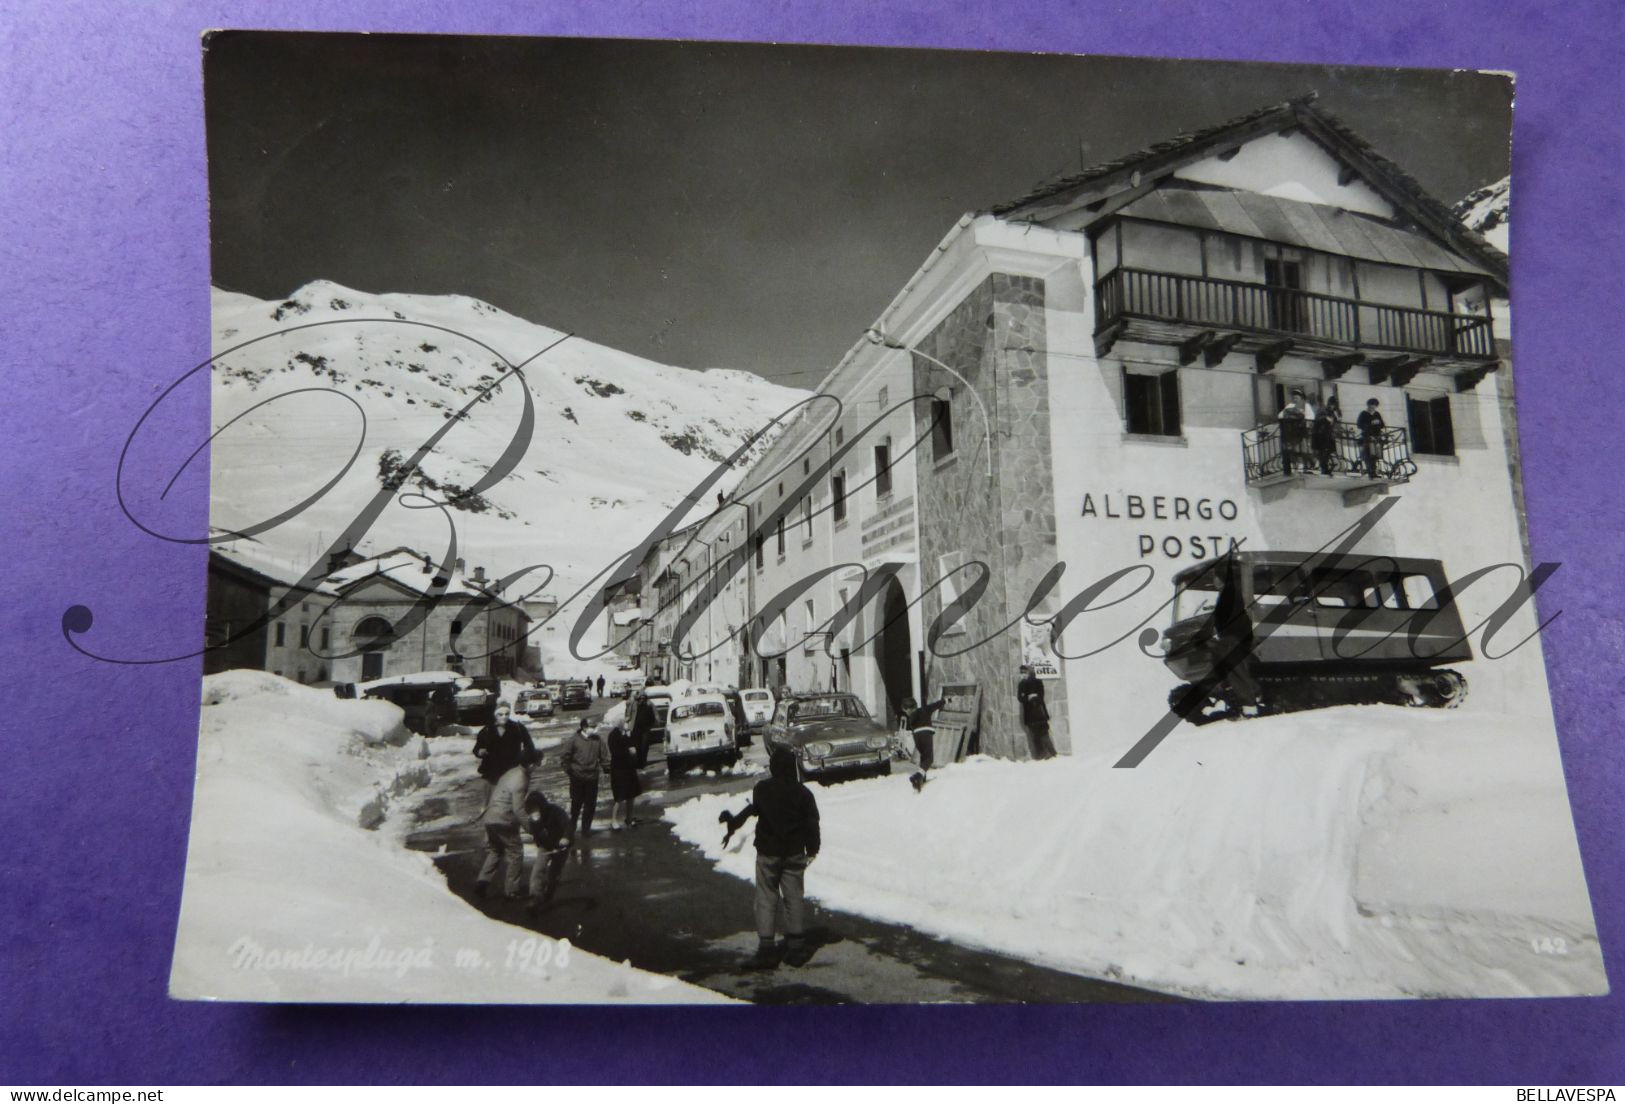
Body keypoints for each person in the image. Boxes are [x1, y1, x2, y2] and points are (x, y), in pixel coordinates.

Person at [720, 749, 821, 969]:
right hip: (794, 854)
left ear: (773, 767)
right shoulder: (803, 793)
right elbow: (812, 823)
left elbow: (753, 810)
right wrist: (813, 849)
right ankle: (796, 947)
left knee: (766, 897)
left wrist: (733, 823)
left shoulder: (762, 790)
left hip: (768, 853)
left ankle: (766, 949)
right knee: (793, 897)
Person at [475, 748, 536, 900]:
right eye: (537, 764)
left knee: (496, 850)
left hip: (490, 817)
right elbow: (518, 809)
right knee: (516, 853)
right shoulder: (521, 779)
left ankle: (482, 881)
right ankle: (512, 891)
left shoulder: (511, 773)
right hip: (504, 819)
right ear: (530, 765)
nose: (537, 767)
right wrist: (530, 828)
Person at [522, 790, 575, 913]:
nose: (534, 813)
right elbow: (536, 835)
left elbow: (567, 825)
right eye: (531, 811)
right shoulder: (533, 820)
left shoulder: (556, 811)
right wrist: (540, 844)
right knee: (538, 869)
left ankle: (549, 895)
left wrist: (565, 838)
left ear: (542, 806)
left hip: (561, 847)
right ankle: (535, 896)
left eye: (536, 809)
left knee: (554, 874)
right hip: (545, 846)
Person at [472, 701, 537, 794]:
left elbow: (529, 746)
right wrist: (479, 751)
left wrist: (524, 762)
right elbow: (477, 748)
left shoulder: (517, 728)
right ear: (495, 715)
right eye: (500, 714)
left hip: (512, 772)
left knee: (511, 802)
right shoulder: (487, 730)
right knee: (491, 803)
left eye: (507, 714)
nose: (504, 717)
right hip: (492, 774)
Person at [560, 718, 607, 835]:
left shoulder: (598, 740)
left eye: (595, 727)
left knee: (590, 805)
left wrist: (607, 768)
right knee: (576, 803)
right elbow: (564, 757)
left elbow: (604, 757)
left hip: (592, 777)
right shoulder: (573, 740)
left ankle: (586, 829)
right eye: (592, 727)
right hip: (577, 777)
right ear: (584, 727)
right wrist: (570, 771)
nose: (595, 729)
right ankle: (572, 826)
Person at [605, 724, 642, 830]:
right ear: (618, 724)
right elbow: (615, 751)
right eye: (622, 723)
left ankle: (629, 818)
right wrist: (628, 750)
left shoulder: (626, 733)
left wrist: (633, 750)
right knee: (619, 796)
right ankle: (613, 820)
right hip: (619, 769)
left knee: (631, 794)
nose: (625, 725)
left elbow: (633, 744)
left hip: (629, 768)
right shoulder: (613, 735)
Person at [1017, 665, 1057, 760]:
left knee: (1044, 733)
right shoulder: (1021, 684)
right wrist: (1027, 697)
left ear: (1028, 672)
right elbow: (1020, 698)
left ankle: (1051, 753)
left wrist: (1033, 697)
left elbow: (1041, 695)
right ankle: (1040, 755)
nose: (1023, 675)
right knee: (1034, 735)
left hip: (1039, 712)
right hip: (1029, 713)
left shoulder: (1037, 682)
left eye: (1024, 672)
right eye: (1022, 673)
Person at [899, 694, 947, 772]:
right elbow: (936, 705)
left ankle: (922, 776)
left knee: (924, 757)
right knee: (929, 759)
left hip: (917, 737)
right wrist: (946, 700)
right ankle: (918, 776)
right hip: (926, 734)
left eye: (906, 711)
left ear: (909, 709)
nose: (907, 713)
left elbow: (914, 728)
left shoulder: (911, 718)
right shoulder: (925, 709)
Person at [1277, 389, 1311, 475]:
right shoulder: (1289, 406)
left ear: (1301, 398)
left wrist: (1302, 414)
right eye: (1294, 397)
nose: (1295, 399)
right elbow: (1280, 415)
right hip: (1292, 433)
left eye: (1297, 397)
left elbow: (1311, 417)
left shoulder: (1306, 406)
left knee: (1302, 450)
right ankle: (1294, 467)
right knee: (1293, 451)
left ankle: (1302, 467)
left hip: (1301, 432)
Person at [1357, 397, 1387, 479]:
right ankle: (1371, 472)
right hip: (1367, 437)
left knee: (1375, 456)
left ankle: (1374, 472)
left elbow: (1382, 425)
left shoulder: (1377, 414)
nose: (1373, 408)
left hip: (1376, 437)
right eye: (1372, 406)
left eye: (1374, 406)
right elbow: (1359, 424)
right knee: (1369, 455)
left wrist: (1378, 423)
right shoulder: (1363, 413)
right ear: (1368, 406)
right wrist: (1370, 424)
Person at [629, 690, 658, 768]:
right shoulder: (635, 706)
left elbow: (652, 718)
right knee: (637, 746)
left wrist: (650, 726)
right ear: (638, 699)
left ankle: (643, 762)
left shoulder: (648, 707)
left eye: (644, 698)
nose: (642, 699)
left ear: (646, 699)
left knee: (644, 746)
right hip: (636, 729)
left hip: (645, 730)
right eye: (641, 698)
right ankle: (639, 762)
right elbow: (629, 715)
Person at [1311, 396, 1339, 476]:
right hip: (1320, 435)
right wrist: (1325, 418)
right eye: (1331, 404)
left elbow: (1336, 421)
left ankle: (1325, 467)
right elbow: (1317, 420)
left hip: (1328, 435)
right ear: (1328, 403)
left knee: (1327, 452)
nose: (1332, 406)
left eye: (1334, 404)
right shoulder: (1322, 410)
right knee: (1322, 452)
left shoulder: (1333, 412)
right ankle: (1324, 469)